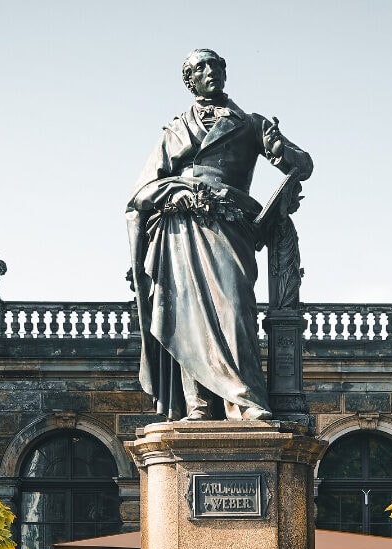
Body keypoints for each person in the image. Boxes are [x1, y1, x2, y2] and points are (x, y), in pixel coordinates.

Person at [126, 49, 313, 421]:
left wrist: (281, 148)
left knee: (235, 307)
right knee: (184, 313)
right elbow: (142, 191)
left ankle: (243, 401)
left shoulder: (250, 123)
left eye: (216, 65)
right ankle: (196, 405)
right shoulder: (175, 129)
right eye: (200, 67)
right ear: (189, 80)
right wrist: (174, 191)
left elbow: (303, 166)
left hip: (230, 224)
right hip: (179, 228)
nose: (210, 71)